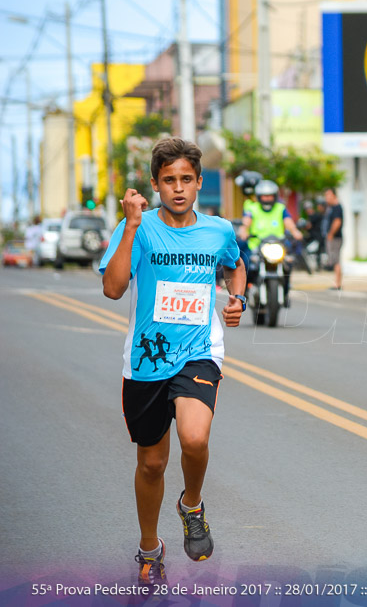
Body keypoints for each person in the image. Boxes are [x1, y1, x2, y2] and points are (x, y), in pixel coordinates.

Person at [99, 137, 246, 587]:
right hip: (147, 358)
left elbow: (235, 265)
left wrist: (238, 296)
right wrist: (129, 227)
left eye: (186, 179)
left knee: (195, 438)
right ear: (155, 184)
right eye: (169, 180)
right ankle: (150, 548)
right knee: (152, 464)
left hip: (199, 351)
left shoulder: (218, 230)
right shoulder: (138, 229)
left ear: (200, 182)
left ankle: (192, 504)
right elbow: (113, 288)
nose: (178, 188)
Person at [239, 179, 304, 284]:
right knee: (245, 265)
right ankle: (245, 292)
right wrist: (244, 230)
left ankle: (286, 289)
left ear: (275, 196)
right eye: (264, 196)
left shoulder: (280, 208)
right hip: (257, 245)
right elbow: (246, 222)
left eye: (270, 196)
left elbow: (288, 222)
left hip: (278, 244)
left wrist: (295, 231)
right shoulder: (253, 208)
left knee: (288, 263)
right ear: (259, 197)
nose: (267, 199)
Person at [322, 187, 344, 289]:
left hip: (335, 238)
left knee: (336, 261)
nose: (326, 198)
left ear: (334, 195)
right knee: (335, 260)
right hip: (333, 237)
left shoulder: (336, 207)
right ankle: (337, 282)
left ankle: (337, 283)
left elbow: (337, 222)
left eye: (328, 195)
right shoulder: (331, 207)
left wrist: (331, 234)